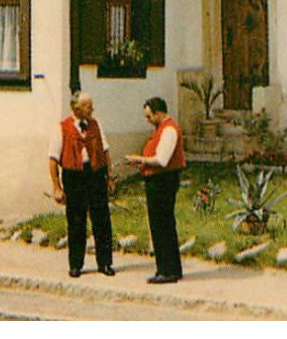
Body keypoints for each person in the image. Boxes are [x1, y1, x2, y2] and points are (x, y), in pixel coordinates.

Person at [48, 92, 115, 279]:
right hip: (74, 176)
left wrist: (110, 177)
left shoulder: (96, 124)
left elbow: (106, 151)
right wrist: (57, 187)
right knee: (76, 221)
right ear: (76, 108)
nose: (91, 109)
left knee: (101, 219)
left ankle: (105, 263)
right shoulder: (61, 128)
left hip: (95, 174)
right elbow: (53, 160)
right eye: (87, 106)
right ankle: (76, 264)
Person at [126, 96, 185, 284]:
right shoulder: (161, 129)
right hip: (157, 180)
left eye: (149, 116)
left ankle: (168, 270)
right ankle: (168, 268)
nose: (148, 120)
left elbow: (162, 160)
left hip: (163, 181)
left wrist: (140, 159)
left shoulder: (169, 129)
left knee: (162, 225)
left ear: (159, 113)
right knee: (160, 225)